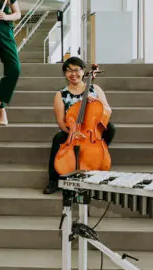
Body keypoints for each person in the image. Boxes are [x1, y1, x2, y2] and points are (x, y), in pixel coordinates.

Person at [43, 57, 116, 194]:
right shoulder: (61, 94)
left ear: (83, 71)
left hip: (92, 130)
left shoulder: (95, 89)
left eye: (76, 70)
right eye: (69, 70)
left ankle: (96, 156)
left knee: (110, 128)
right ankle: (54, 180)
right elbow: (61, 121)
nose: (73, 74)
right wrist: (72, 132)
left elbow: (108, 110)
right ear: (65, 73)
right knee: (58, 138)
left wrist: (97, 102)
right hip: (73, 130)